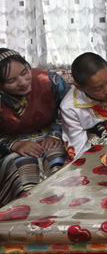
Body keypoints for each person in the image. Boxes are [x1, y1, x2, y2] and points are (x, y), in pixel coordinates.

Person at [0, 49, 70, 206]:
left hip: (52, 138)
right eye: (11, 81)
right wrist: (14, 145)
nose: (22, 82)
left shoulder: (49, 80)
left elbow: (73, 108)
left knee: (58, 169)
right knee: (24, 180)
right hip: (12, 149)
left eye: (24, 72)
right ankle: (26, 216)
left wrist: (55, 133)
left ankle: (63, 213)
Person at [60, 53, 107, 160]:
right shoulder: (69, 107)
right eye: (97, 89)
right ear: (79, 87)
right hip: (91, 147)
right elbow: (78, 149)